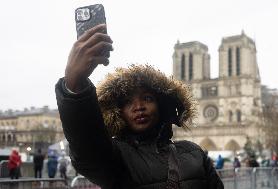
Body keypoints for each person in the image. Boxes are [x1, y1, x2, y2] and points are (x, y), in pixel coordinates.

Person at [55, 24, 223, 189]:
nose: (139, 107)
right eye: (128, 102)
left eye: (148, 98)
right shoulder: (116, 157)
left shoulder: (195, 153)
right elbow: (87, 147)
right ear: (118, 112)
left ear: (162, 104)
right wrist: (74, 86)